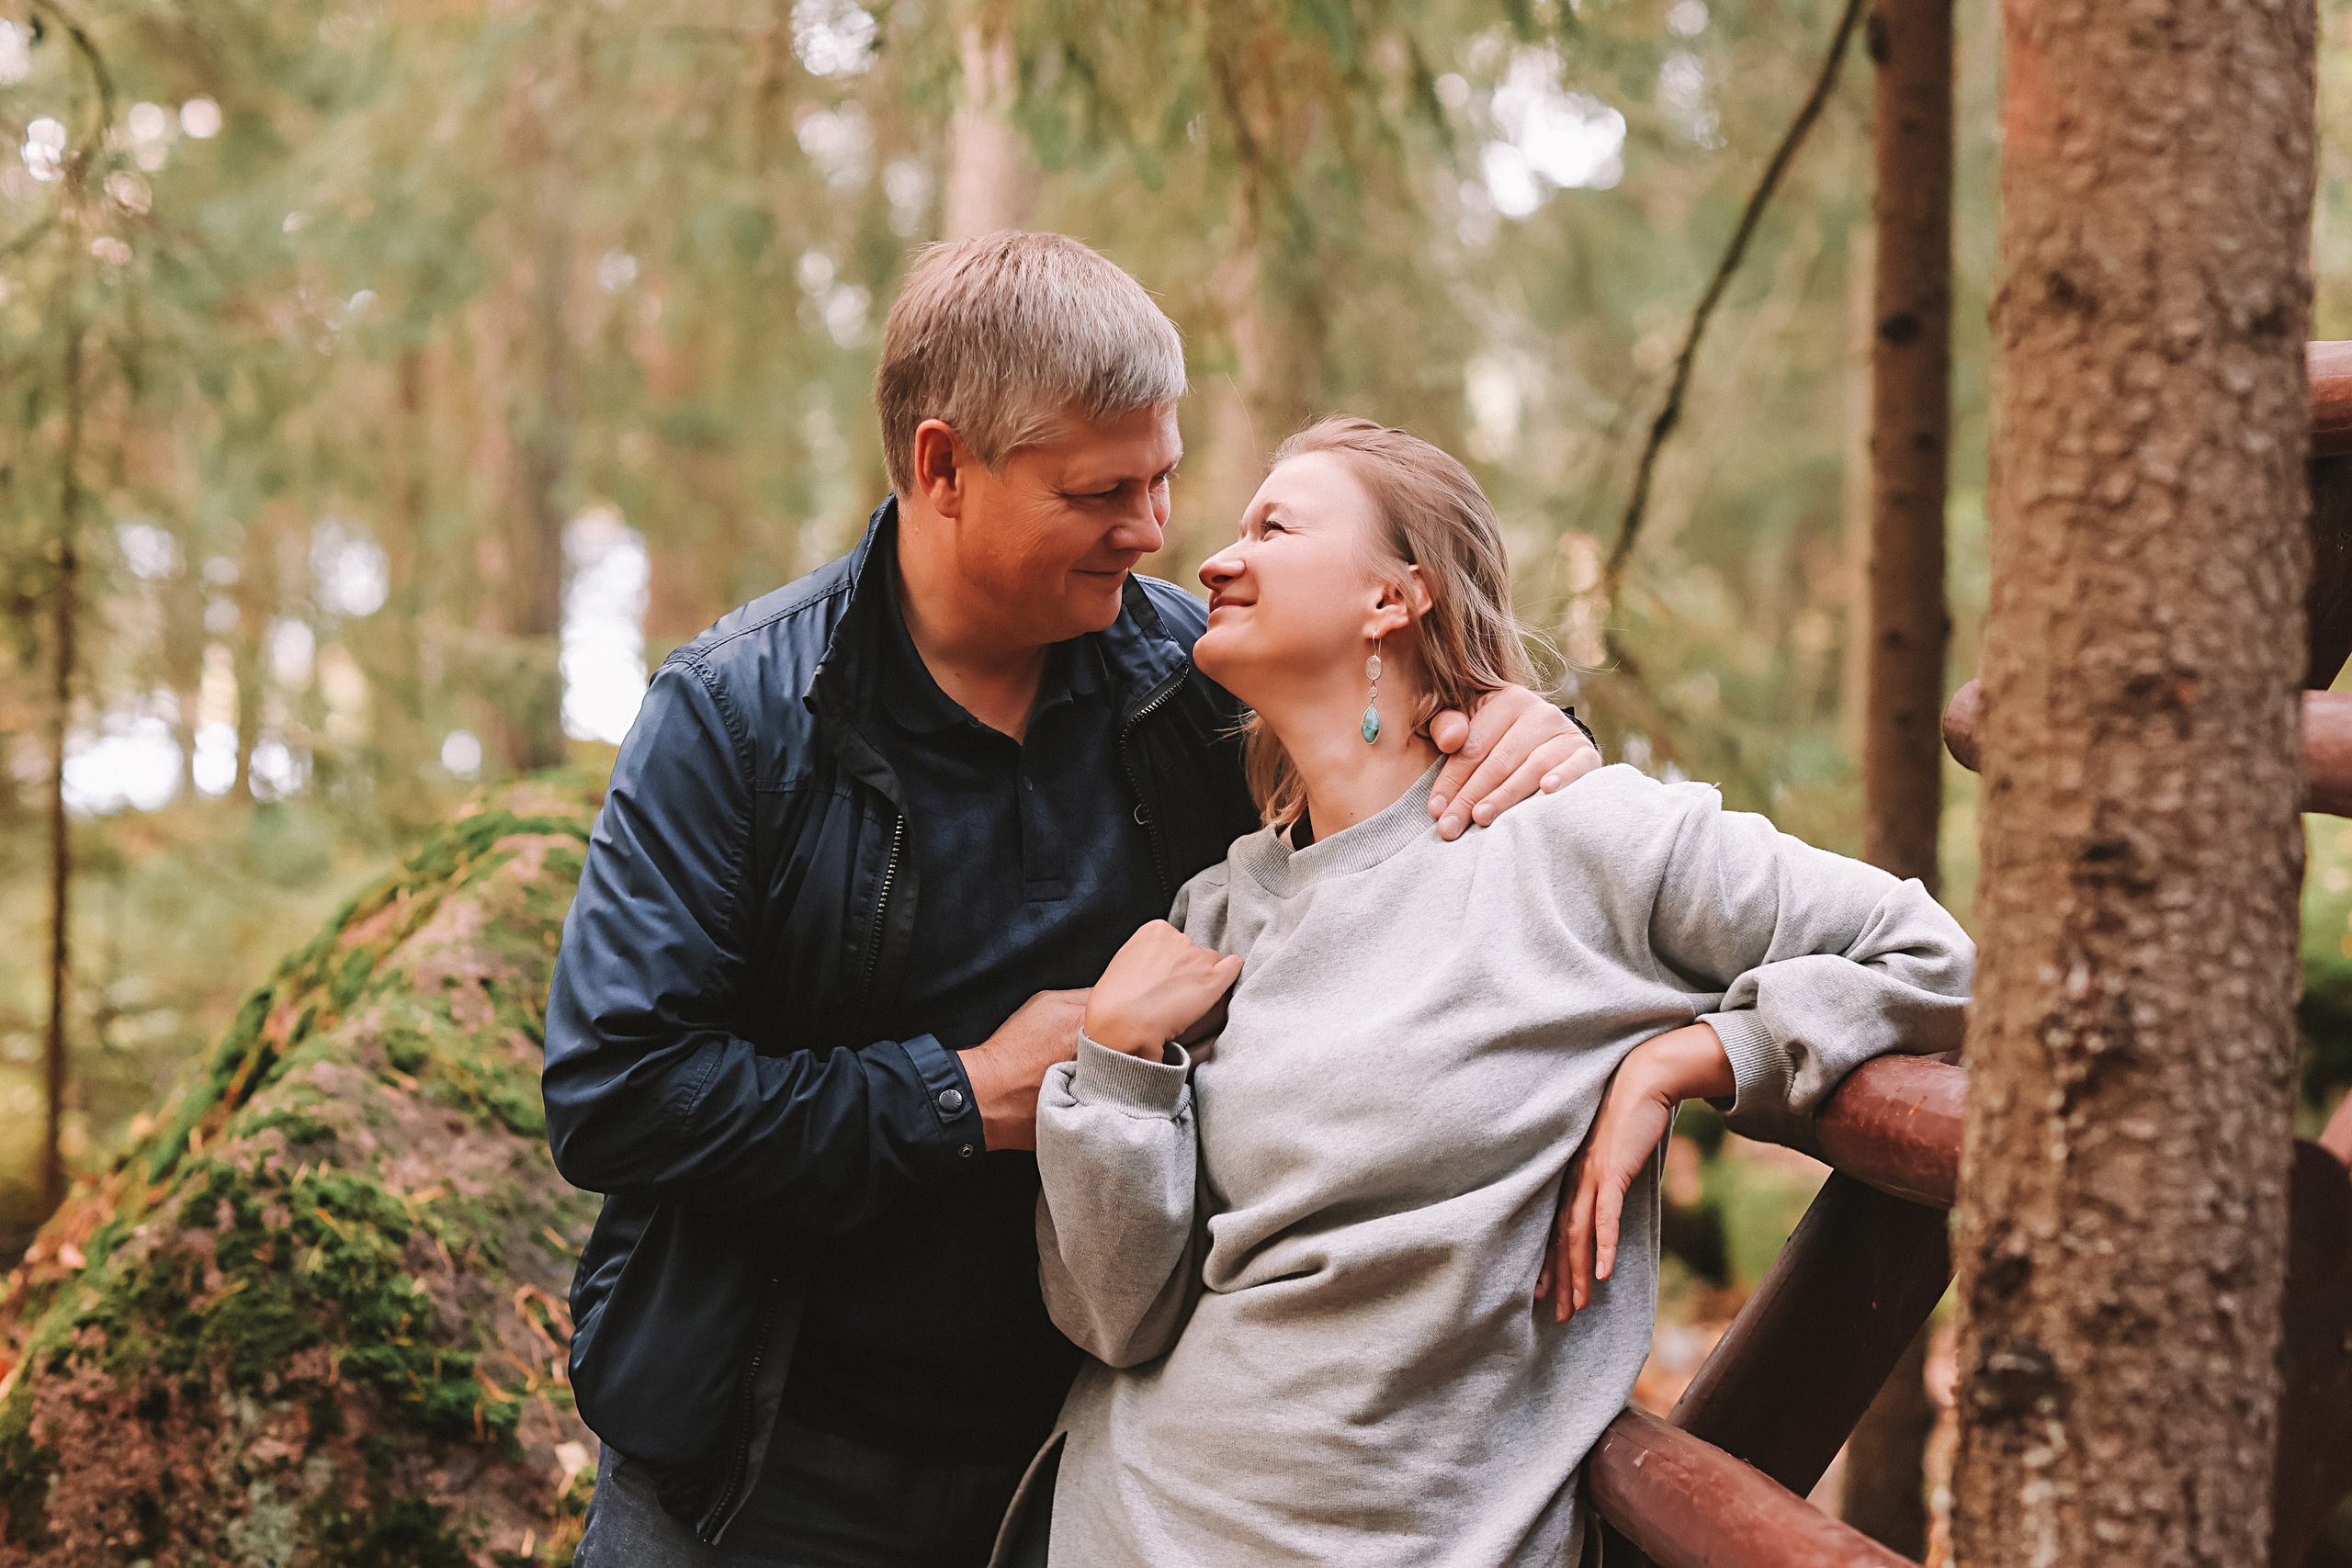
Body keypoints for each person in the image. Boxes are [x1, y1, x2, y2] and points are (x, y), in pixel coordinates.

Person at [541, 233, 1601, 1565]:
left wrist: (1525, 729)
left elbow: (1402, 778)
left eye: (1162, 477)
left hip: (1078, 1469)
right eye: (1101, 491)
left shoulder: (1198, 683)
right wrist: (966, 1094)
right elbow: (619, 1090)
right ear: (943, 468)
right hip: (755, 1471)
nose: (1154, 531)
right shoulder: (737, 714)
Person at [999, 418, 1974, 1568]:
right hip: (1121, 1524)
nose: (1215, 558)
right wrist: (1116, 1065)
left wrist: (1693, 1058)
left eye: (1273, 527)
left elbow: (1938, 961)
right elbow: (1113, 1318)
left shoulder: (1574, 840)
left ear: (1393, 597)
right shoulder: (1216, 912)